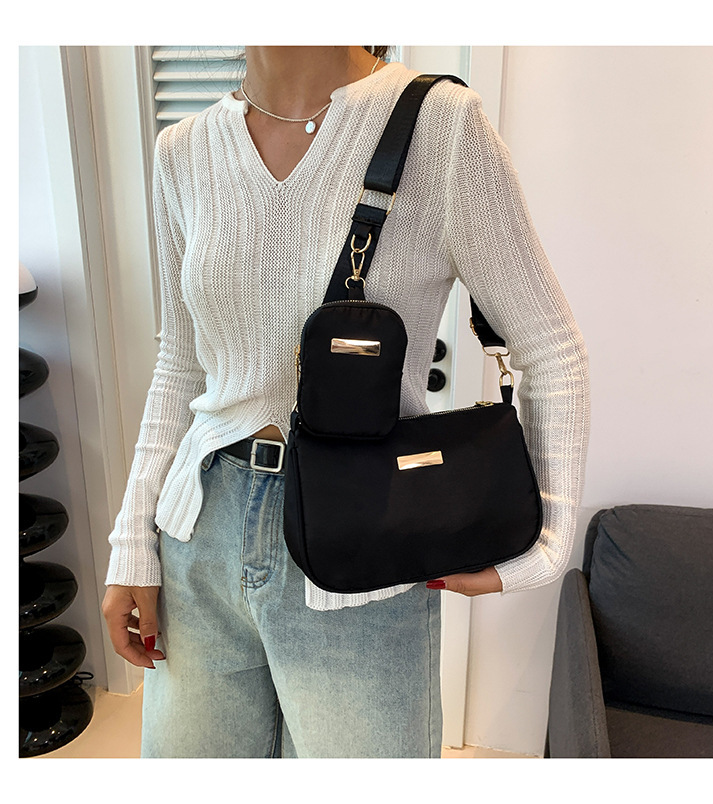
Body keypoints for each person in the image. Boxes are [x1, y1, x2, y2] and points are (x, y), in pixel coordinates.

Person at [101, 45, 589, 759]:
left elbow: (551, 348)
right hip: (199, 536)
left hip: (365, 538)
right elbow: (180, 363)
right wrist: (131, 546)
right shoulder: (183, 150)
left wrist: (547, 543)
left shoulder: (442, 127)